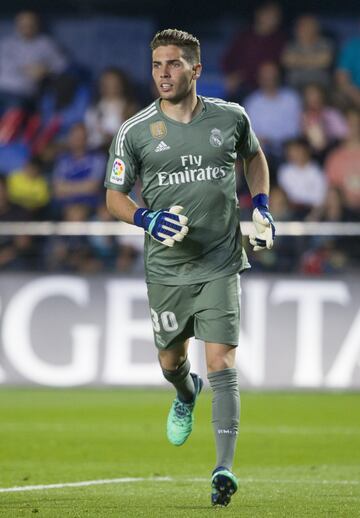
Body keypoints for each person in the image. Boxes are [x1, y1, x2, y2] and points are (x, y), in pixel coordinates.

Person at [104, 29, 275, 507]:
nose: (163, 72)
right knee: (171, 362)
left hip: (220, 261)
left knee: (222, 361)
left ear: (196, 70)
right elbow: (114, 196)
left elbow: (255, 157)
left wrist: (260, 203)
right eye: (157, 64)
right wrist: (146, 217)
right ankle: (185, 394)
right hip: (167, 270)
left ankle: (223, 469)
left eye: (175, 63)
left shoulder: (231, 117)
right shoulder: (135, 130)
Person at [221, 1, 286, 100]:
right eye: (268, 14)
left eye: (275, 16)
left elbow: (279, 65)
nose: (272, 19)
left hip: (269, 86)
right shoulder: (244, 36)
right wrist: (231, 76)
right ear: (259, 14)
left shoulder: (280, 40)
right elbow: (227, 60)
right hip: (244, 86)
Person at [281, 15, 333, 90]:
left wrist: (297, 60)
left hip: (320, 88)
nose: (303, 29)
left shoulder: (325, 43)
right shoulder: (291, 45)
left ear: (315, 28)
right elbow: (287, 61)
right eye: (301, 26)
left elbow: (324, 61)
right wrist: (314, 60)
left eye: (308, 26)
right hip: (294, 87)